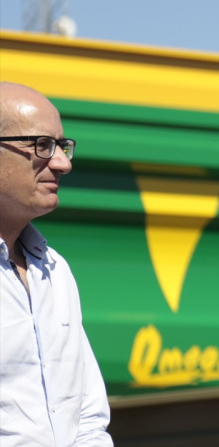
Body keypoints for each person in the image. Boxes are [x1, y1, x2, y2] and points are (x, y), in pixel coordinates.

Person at [0, 82, 113, 446]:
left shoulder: (55, 270)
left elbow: (87, 418)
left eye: (62, 147)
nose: (63, 163)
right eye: (42, 145)